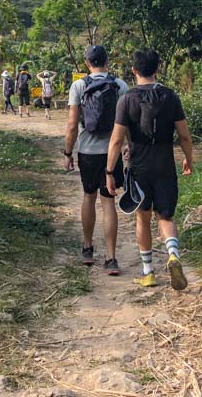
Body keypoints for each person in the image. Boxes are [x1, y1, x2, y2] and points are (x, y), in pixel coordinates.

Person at [106, 48, 193, 290]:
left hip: (139, 167)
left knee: (142, 218)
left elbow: (115, 140)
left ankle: (148, 272)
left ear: (134, 70)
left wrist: (110, 172)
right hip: (165, 165)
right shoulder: (170, 96)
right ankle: (173, 254)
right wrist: (188, 159)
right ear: (157, 69)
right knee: (165, 215)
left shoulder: (126, 100)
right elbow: (184, 136)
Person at [62, 45, 129, 274]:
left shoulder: (79, 86)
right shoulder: (120, 85)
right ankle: (111, 258)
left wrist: (68, 152)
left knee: (88, 197)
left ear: (87, 63)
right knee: (108, 201)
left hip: (88, 152)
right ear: (106, 61)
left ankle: (88, 248)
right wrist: (128, 146)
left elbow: (72, 125)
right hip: (112, 152)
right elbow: (125, 122)